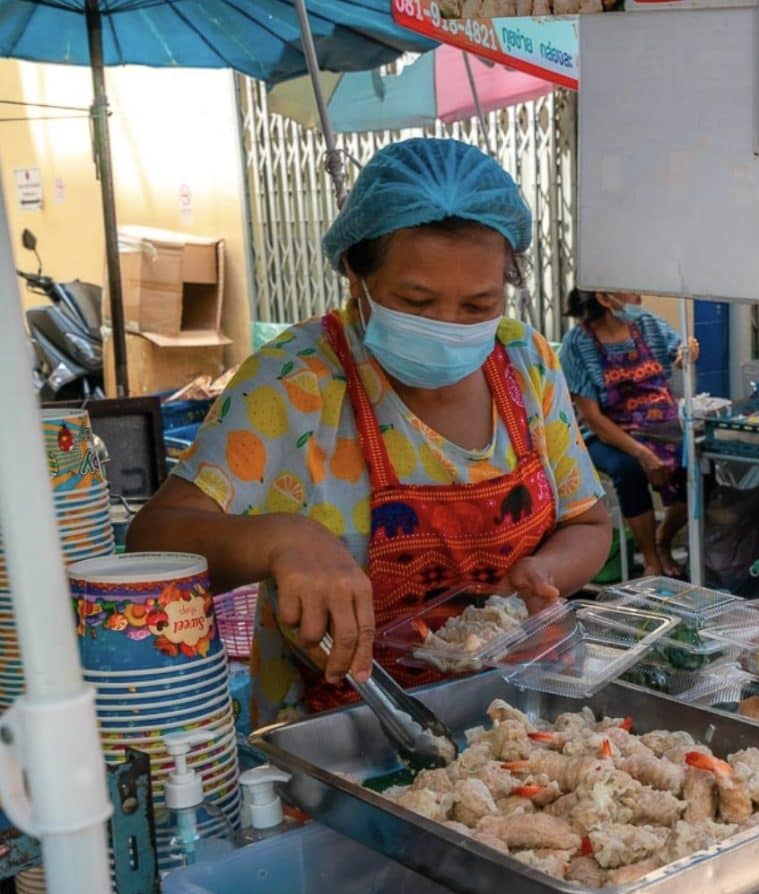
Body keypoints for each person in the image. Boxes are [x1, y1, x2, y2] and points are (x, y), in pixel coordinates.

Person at [128, 138, 612, 722]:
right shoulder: (295, 381)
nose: (447, 325)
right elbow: (151, 540)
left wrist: (542, 574)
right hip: (344, 733)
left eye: (478, 305)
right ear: (356, 276)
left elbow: (587, 522)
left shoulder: (525, 361)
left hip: (524, 717)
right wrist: (278, 540)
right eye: (418, 300)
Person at [559, 289, 697, 578]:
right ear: (605, 299)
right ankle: (650, 559)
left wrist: (687, 352)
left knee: (697, 465)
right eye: (632, 292)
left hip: (661, 428)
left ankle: (664, 539)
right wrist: (642, 453)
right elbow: (593, 419)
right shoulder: (577, 345)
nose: (640, 299)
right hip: (606, 435)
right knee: (629, 470)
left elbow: (678, 352)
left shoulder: (648, 325)